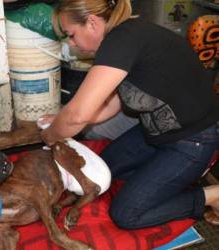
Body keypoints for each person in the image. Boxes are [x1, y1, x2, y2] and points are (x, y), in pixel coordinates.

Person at [38, 0, 219, 229]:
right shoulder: (123, 36)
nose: (72, 43)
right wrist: (61, 120)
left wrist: (52, 134)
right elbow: (110, 105)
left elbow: (77, 115)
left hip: (193, 140)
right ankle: (160, 175)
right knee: (100, 174)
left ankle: (211, 196)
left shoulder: (122, 40)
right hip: (152, 132)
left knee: (126, 214)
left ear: (92, 23)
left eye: (71, 34)